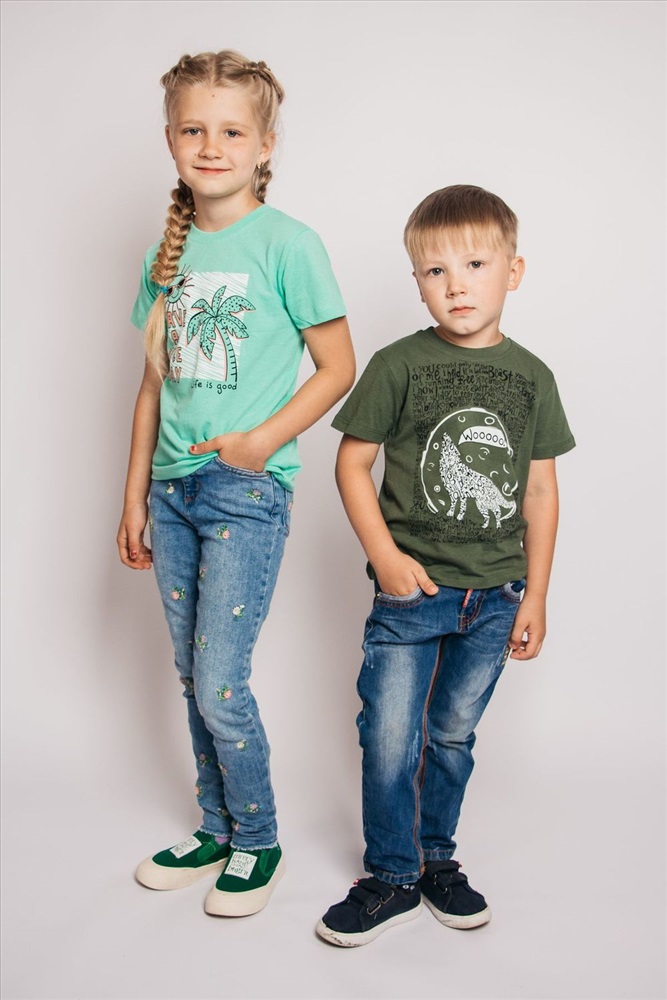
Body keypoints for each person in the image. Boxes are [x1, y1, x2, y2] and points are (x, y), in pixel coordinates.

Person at [117, 50, 354, 918]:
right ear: (170, 140)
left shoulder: (289, 244)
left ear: (265, 145)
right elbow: (152, 387)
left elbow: (338, 367)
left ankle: (259, 838)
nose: (210, 146)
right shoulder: (165, 253)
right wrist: (132, 496)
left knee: (220, 679)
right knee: (191, 675)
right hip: (172, 493)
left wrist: (259, 443)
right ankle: (215, 827)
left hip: (242, 492)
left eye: (230, 131)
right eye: (193, 129)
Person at [317, 185, 575, 946]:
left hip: (495, 595)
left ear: (513, 271)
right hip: (413, 594)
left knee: (452, 737)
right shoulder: (398, 364)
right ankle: (391, 875)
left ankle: (436, 860)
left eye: (474, 265)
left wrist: (536, 596)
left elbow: (539, 491)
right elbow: (352, 464)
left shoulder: (533, 377)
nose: (456, 285)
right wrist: (385, 556)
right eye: (435, 271)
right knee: (389, 738)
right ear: (417, 283)